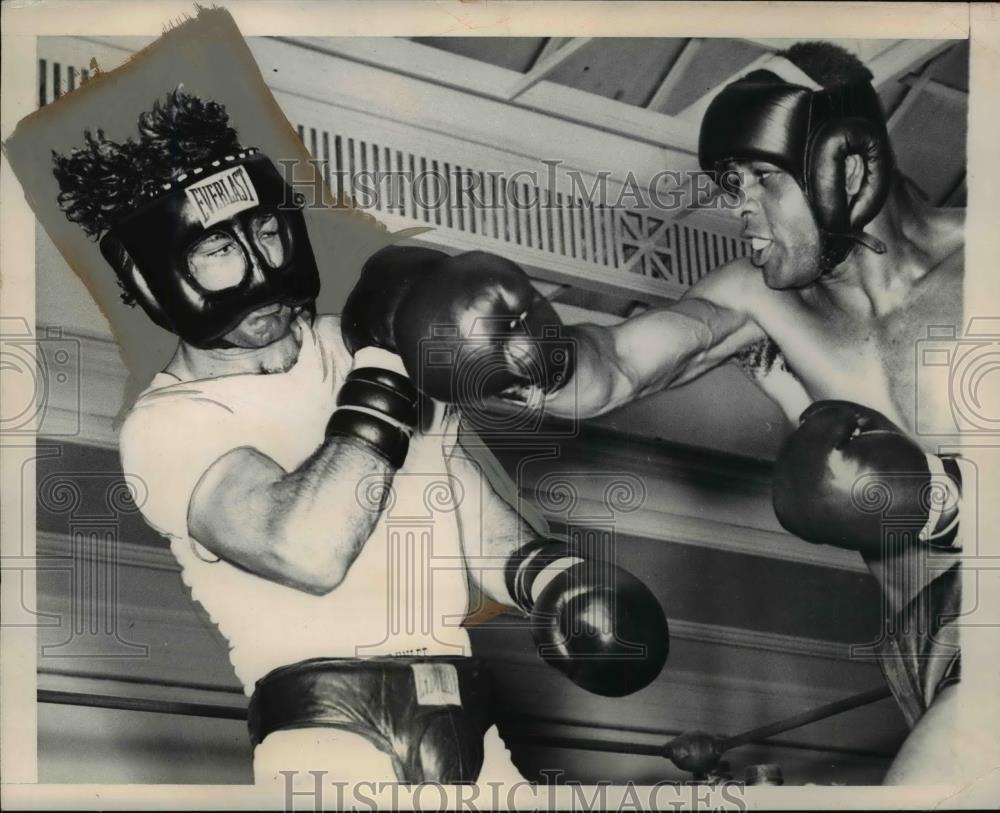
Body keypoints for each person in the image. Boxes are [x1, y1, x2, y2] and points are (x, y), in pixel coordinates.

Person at [51, 88, 669, 787]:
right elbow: (307, 548)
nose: (258, 265)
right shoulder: (166, 426)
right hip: (333, 750)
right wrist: (381, 362)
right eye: (220, 248)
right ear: (152, 275)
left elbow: (464, 513)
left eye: (268, 232)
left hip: (472, 736)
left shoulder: (356, 342)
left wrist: (556, 581)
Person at [485, 43, 965, 783]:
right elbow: (618, 363)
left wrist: (950, 501)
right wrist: (528, 356)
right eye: (731, 182)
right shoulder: (762, 297)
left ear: (849, 165)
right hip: (921, 648)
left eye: (762, 179)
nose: (738, 205)